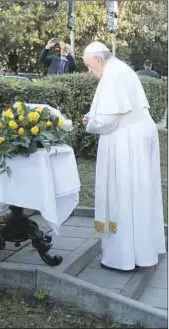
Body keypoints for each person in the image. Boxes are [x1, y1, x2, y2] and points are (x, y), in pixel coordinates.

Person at [82, 41, 166, 271]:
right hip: (136, 136)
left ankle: (123, 256)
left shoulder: (113, 74)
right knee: (139, 194)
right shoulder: (120, 69)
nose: (89, 71)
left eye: (89, 66)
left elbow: (108, 120)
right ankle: (143, 251)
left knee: (124, 194)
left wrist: (91, 122)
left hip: (127, 142)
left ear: (98, 59)